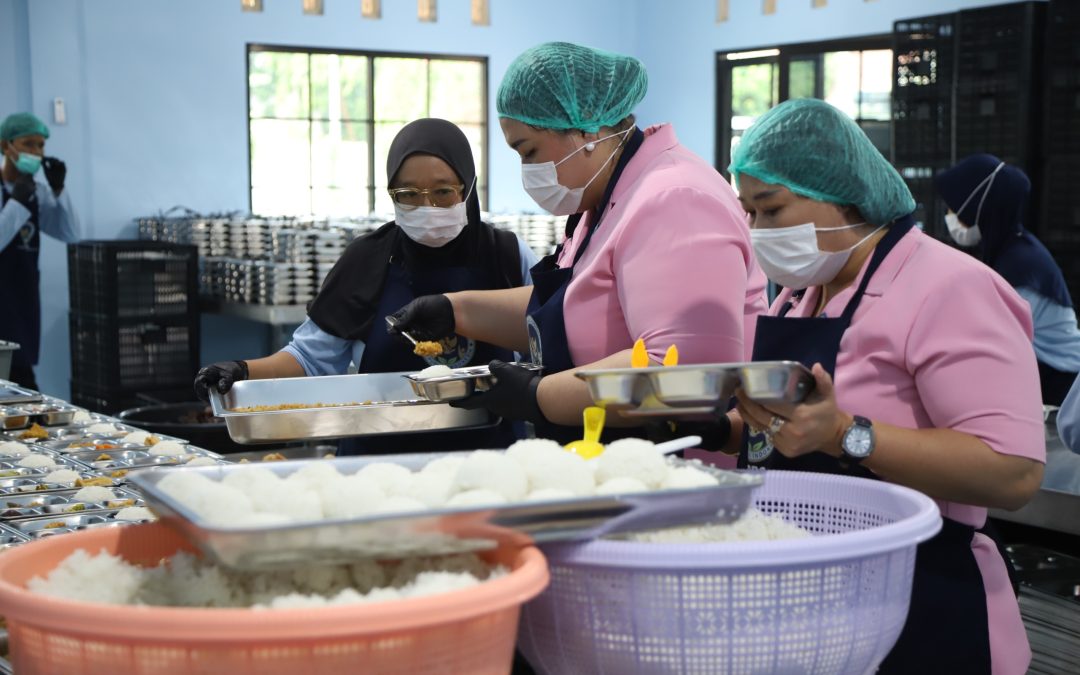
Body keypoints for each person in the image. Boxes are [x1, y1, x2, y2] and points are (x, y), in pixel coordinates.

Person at [721, 98, 1044, 674]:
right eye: (747, 213)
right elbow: (792, 431)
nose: (757, 232)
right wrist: (708, 425)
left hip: (927, 596)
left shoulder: (950, 287)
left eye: (770, 210)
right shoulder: (801, 294)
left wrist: (845, 434)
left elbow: (1012, 471)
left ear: (842, 193)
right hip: (815, 603)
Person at [388, 42, 767, 444]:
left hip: (675, 466)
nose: (528, 170)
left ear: (586, 127)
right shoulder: (605, 199)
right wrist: (456, 310)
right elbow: (575, 307)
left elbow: (679, 375)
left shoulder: (675, 199)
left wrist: (537, 395)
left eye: (529, 150)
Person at [194, 118, 537, 454]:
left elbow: (548, 337)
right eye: (408, 195)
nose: (426, 207)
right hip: (379, 462)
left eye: (444, 192)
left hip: (492, 457)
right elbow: (309, 359)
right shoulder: (367, 259)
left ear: (469, 186)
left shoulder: (506, 255)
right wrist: (242, 371)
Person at [936, 154, 1080, 405]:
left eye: (955, 209)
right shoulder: (1010, 249)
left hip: (1061, 385)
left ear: (978, 209)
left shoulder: (1019, 266)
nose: (949, 215)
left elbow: (990, 344)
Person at [0, 112, 79, 391]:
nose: (37, 152)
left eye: (41, 145)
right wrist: (17, 202)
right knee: (19, 388)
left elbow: (69, 233)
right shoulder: (18, 193)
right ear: (5, 146)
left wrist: (59, 191)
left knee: (19, 377)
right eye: (29, 144)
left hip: (22, 300)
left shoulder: (38, 193)